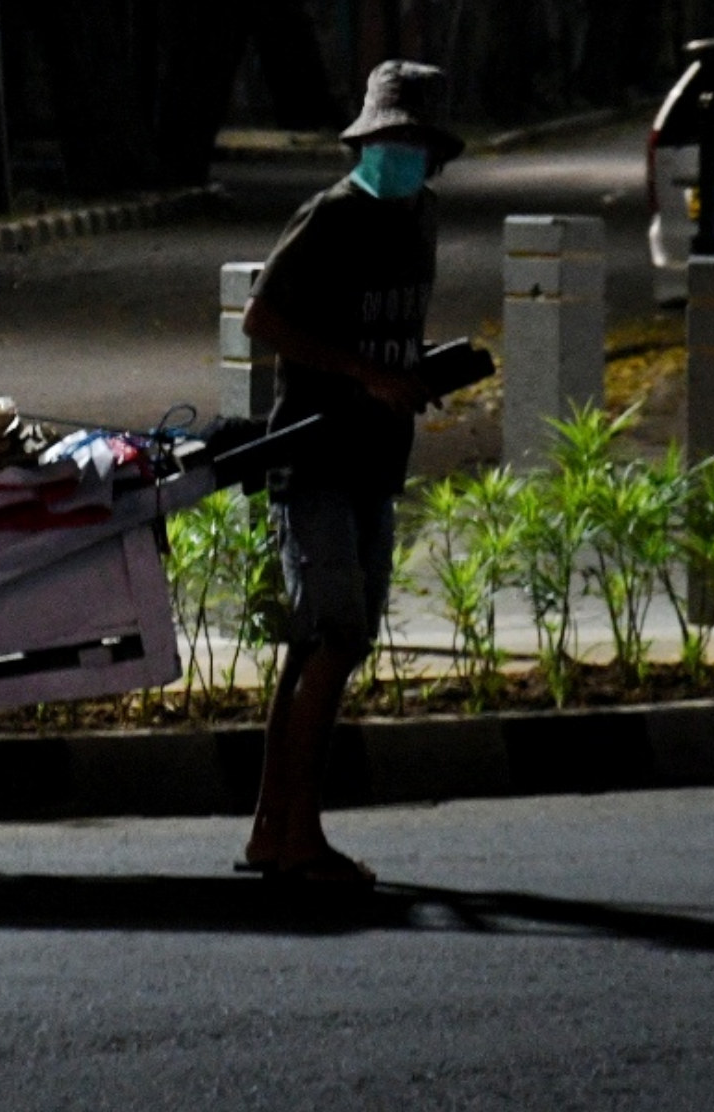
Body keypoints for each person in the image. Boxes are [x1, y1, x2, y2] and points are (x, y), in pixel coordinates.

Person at [236, 60, 460, 885]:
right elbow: (264, 317)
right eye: (389, 140)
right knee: (334, 640)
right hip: (317, 453)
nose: (401, 155)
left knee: (322, 649)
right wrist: (365, 373)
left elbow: (388, 336)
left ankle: (274, 830)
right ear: (367, 143)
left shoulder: (422, 217)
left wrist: (412, 371)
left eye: (414, 143)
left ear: (432, 154)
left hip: (377, 457)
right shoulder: (329, 217)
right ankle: (299, 837)